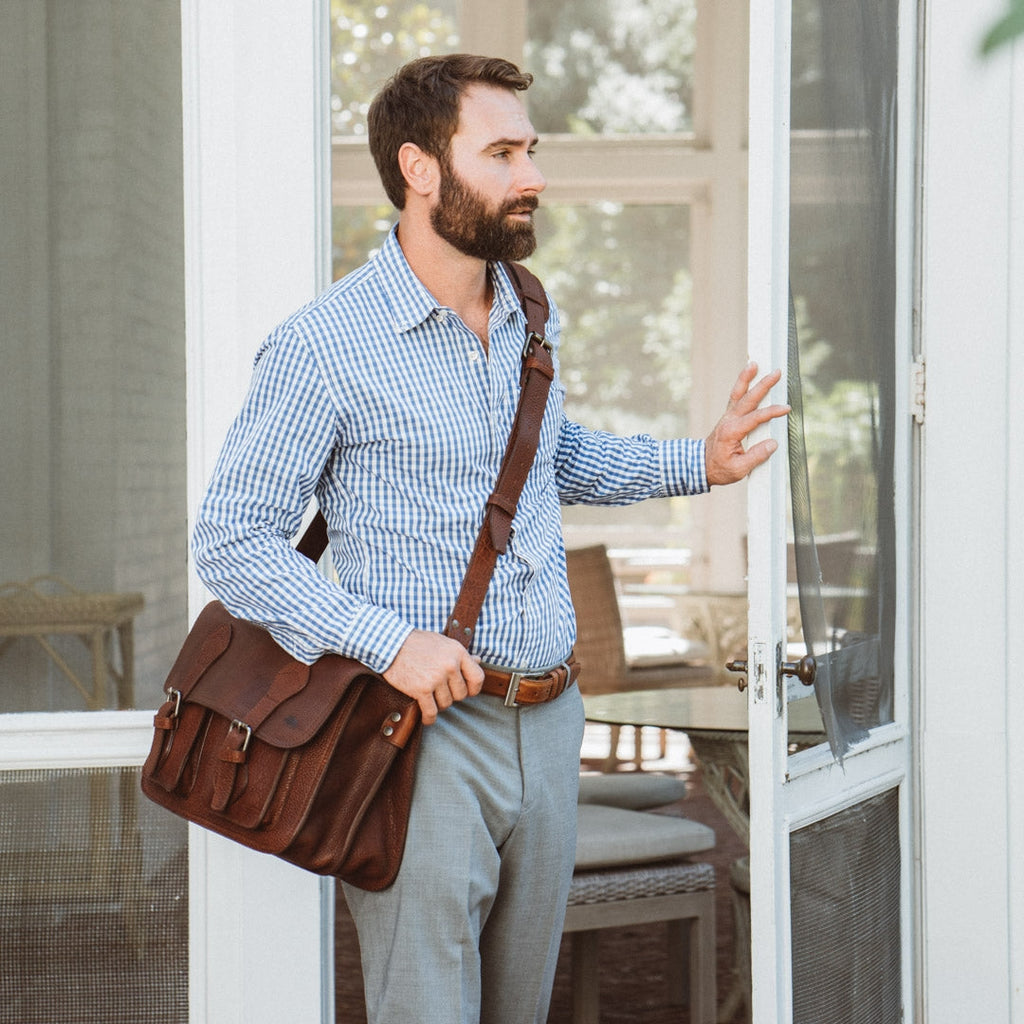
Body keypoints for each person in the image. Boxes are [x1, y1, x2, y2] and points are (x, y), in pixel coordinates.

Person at [192, 52, 789, 1024]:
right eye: (503, 153)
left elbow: (554, 458)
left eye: (531, 150)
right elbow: (232, 539)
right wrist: (391, 643)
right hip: (419, 735)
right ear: (420, 168)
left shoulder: (525, 311)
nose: (533, 175)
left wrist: (702, 461)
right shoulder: (322, 346)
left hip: (551, 721)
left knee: (520, 1008)